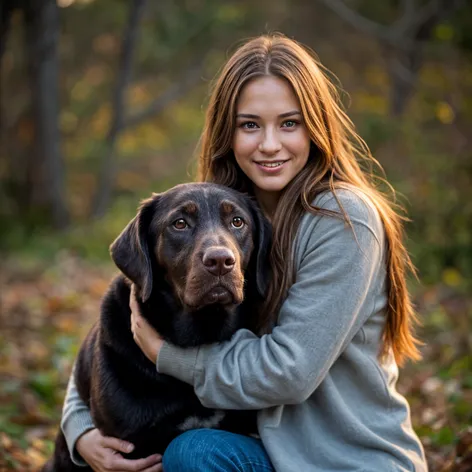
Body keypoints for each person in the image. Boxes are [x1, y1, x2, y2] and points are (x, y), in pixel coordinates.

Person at [60, 33, 428, 471]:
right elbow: (117, 329)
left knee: (193, 454)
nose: (270, 144)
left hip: (347, 462)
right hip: (273, 454)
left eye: (289, 123)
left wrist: (167, 357)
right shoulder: (226, 211)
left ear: (316, 126)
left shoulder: (344, 219)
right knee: (190, 452)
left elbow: (288, 372)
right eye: (250, 124)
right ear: (227, 132)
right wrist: (79, 429)